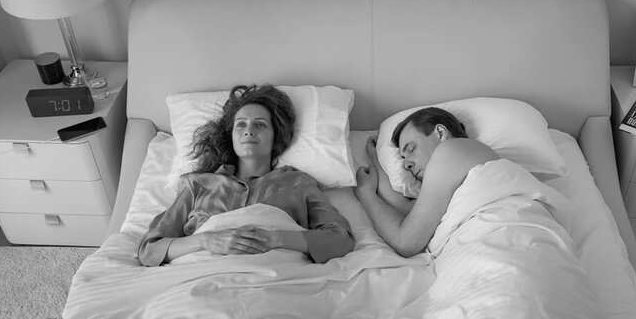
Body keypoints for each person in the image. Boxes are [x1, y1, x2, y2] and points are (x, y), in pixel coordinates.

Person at [138, 84, 354, 266]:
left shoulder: (298, 182)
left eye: (260, 124)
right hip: (203, 276)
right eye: (240, 125)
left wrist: (276, 238)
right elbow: (150, 249)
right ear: (230, 136)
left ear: (276, 136)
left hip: (277, 276)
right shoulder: (197, 184)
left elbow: (341, 239)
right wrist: (206, 240)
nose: (249, 131)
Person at [354, 107, 498, 257]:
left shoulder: (452, 149)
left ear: (440, 133)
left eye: (411, 149)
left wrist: (365, 194)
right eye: (403, 158)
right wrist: (376, 159)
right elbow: (409, 214)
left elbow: (406, 241)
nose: (406, 165)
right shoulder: (457, 175)